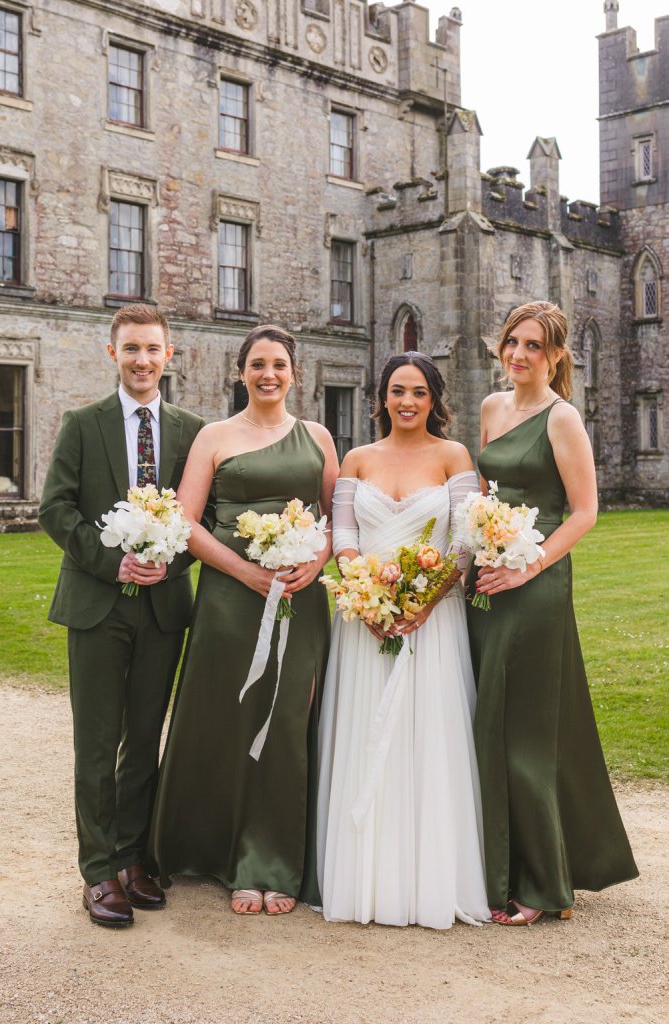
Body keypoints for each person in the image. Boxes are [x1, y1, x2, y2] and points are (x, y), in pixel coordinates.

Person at [148, 325, 339, 916]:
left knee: (285, 722)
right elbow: (188, 521)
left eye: (279, 364)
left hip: (298, 599)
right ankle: (213, 849)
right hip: (230, 601)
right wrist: (245, 571)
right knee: (225, 717)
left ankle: (272, 861)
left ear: (294, 372)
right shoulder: (215, 436)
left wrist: (318, 557)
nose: (269, 374)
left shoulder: (318, 437)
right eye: (257, 364)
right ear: (241, 372)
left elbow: (338, 517)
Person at [467, 300, 638, 926]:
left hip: (534, 580)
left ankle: (541, 882)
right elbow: (487, 493)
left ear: (556, 357)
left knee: (526, 728)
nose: (518, 355)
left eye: (533, 346)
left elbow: (585, 511)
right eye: (512, 342)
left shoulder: (563, 419)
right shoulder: (490, 408)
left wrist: (528, 565)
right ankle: (495, 869)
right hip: (485, 577)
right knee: (488, 719)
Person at [39, 304, 206, 928]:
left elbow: (205, 520)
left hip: (163, 609)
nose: (142, 360)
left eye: (152, 349)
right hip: (96, 606)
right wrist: (113, 565)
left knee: (144, 741)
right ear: (114, 353)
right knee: (96, 741)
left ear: (169, 355)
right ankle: (98, 870)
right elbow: (55, 509)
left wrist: (171, 562)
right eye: (131, 348)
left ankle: (135, 857)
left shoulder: (192, 432)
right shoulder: (84, 424)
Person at [317, 352, 490, 929]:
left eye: (419, 392)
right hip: (365, 624)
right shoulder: (357, 459)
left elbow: (467, 540)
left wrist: (426, 600)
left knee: (428, 736)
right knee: (365, 734)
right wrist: (366, 595)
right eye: (397, 391)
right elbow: (342, 536)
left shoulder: (453, 457)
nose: (407, 402)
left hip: (433, 624)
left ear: (435, 399)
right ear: (382, 397)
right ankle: (364, 880)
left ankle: (429, 879)